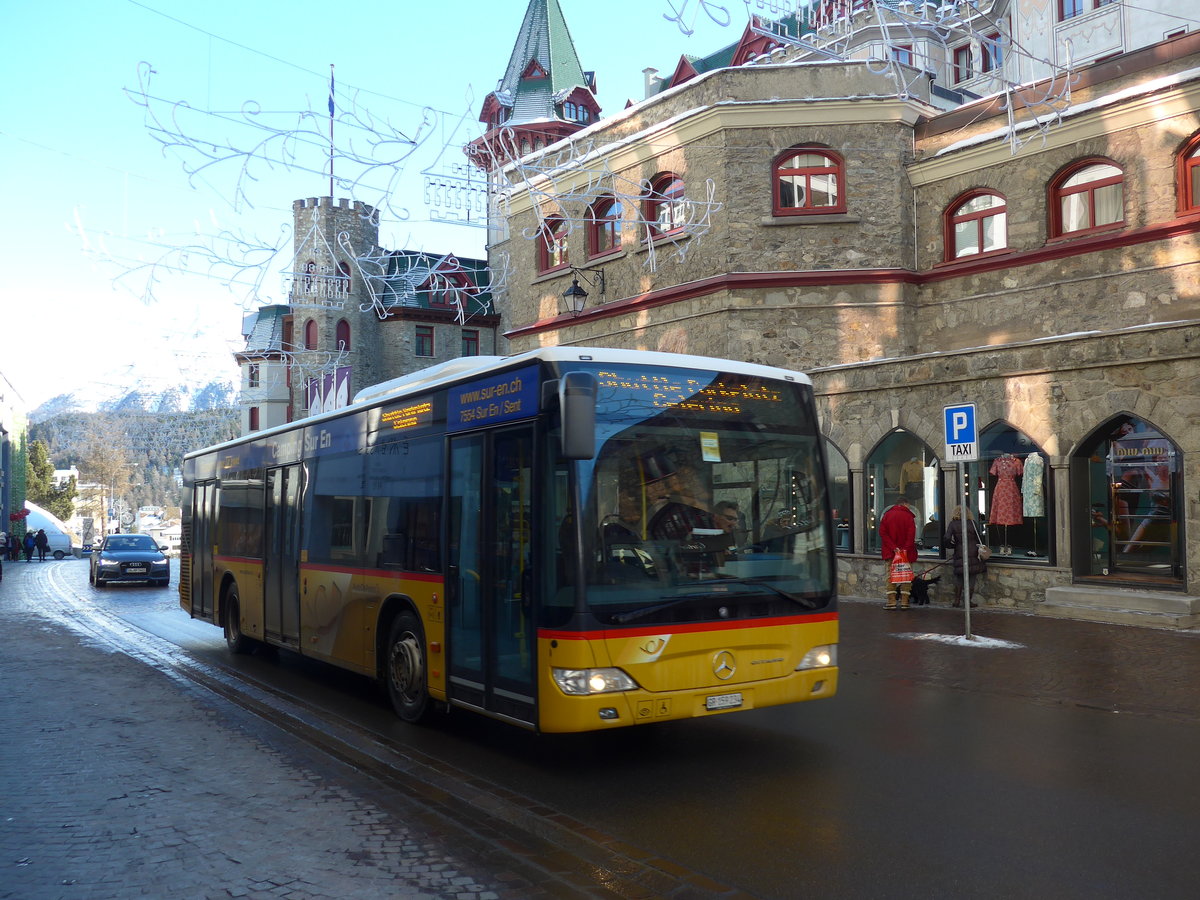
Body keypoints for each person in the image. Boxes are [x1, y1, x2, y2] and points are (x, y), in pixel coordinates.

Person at [879, 498, 918, 610]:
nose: (909, 507)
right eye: (909, 505)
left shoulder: (887, 515)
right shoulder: (909, 517)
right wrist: (905, 549)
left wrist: (893, 548)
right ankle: (905, 602)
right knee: (906, 576)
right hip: (907, 553)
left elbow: (883, 533)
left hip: (891, 552)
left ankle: (891, 602)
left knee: (891, 576)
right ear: (905, 504)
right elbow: (911, 535)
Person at [943, 505, 985, 607]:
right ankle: (968, 601)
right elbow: (980, 537)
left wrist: (953, 546)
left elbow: (946, 538)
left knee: (959, 577)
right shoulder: (972, 523)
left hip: (959, 552)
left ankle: (957, 600)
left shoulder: (953, 524)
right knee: (972, 577)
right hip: (973, 552)